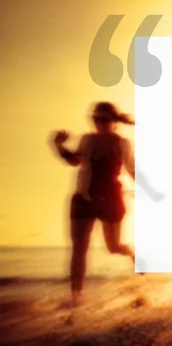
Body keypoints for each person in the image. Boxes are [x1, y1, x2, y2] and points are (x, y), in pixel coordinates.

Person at [52, 102, 164, 306]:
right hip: (84, 198)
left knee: (113, 246)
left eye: (104, 120)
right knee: (79, 248)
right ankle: (76, 297)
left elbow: (132, 170)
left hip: (111, 198)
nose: (99, 124)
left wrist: (152, 192)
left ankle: (132, 252)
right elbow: (75, 161)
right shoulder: (87, 140)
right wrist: (58, 145)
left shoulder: (122, 143)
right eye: (95, 119)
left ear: (114, 122)